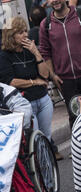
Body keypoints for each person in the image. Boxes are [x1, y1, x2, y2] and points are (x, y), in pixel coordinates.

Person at [0, 16, 63, 160]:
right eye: (20, 32)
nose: (25, 35)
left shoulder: (30, 50)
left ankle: (47, 165)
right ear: (11, 35)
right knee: (35, 140)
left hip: (43, 100)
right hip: (26, 102)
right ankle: (41, 167)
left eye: (25, 31)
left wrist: (36, 53)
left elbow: (44, 75)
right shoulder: (4, 56)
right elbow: (11, 82)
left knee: (45, 136)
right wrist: (35, 82)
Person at [39, 0, 81, 129]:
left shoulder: (79, 15)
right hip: (65, 81)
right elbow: (45, 52)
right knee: (75, 117)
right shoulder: (45, 24)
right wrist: (53, 75)